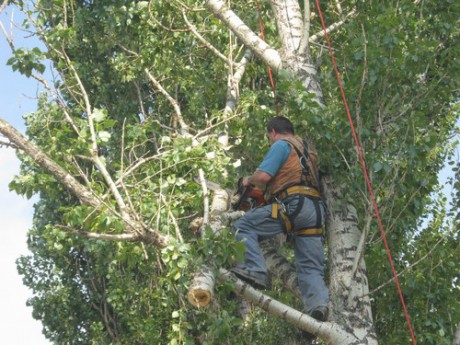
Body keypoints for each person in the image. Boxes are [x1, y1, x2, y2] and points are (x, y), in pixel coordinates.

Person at [231, 116, 329, 331]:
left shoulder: (281, 145)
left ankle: (255, 269)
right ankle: (318, 309)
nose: (269, 140)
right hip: (315, 211)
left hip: (295, 205)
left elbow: (264, 177)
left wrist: (248, 180)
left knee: (243, 226)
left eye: (269, 137)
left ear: (273, 132)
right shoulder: (309, 153)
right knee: (311, 267)